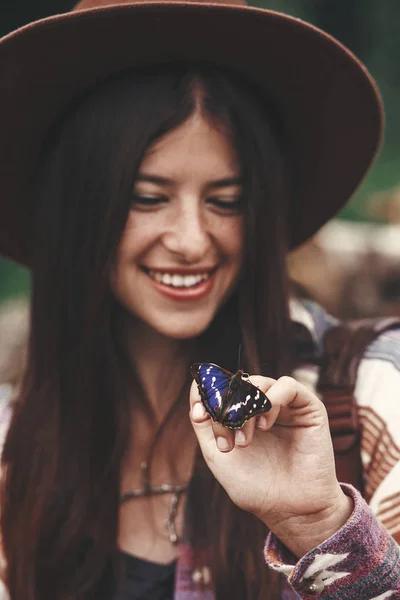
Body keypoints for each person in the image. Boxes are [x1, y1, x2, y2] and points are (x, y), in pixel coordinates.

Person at [0, 0, 399, 599]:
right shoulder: (15, 445)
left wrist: (319, 525)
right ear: (81, 209)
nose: (191, 241)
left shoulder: (372, 393)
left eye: (227, 200)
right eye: (147, 198)